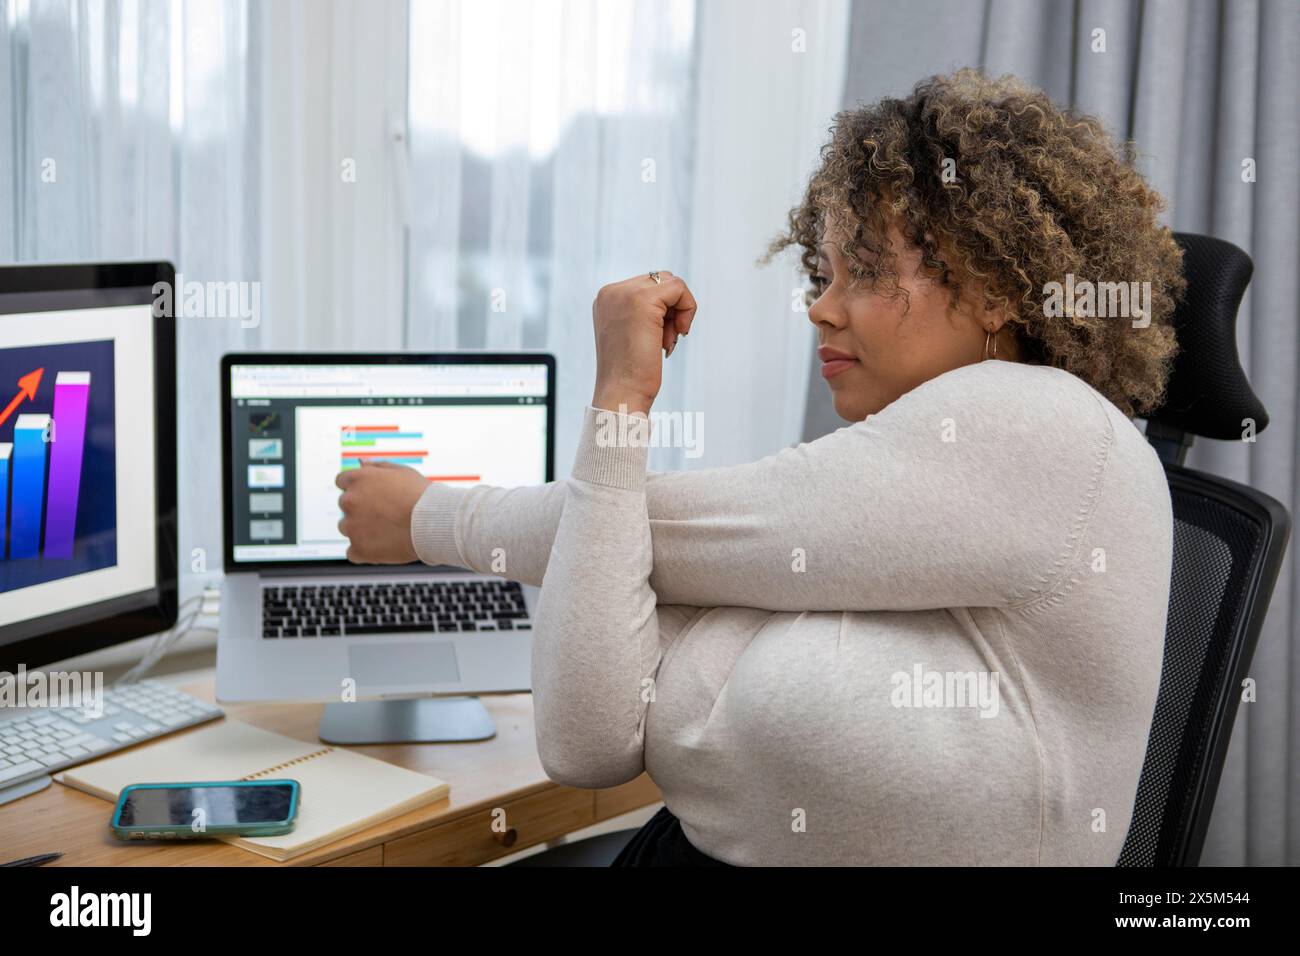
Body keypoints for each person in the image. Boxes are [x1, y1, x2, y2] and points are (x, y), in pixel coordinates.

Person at [335, 70, 1184, 865]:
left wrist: (431, 518)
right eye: (825, 272)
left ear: (998, 289)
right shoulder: (885, 501)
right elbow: (587, 737)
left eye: (868, 272)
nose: (819, 306)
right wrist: (616, 423)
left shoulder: (1043, 424)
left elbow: (650, 531)